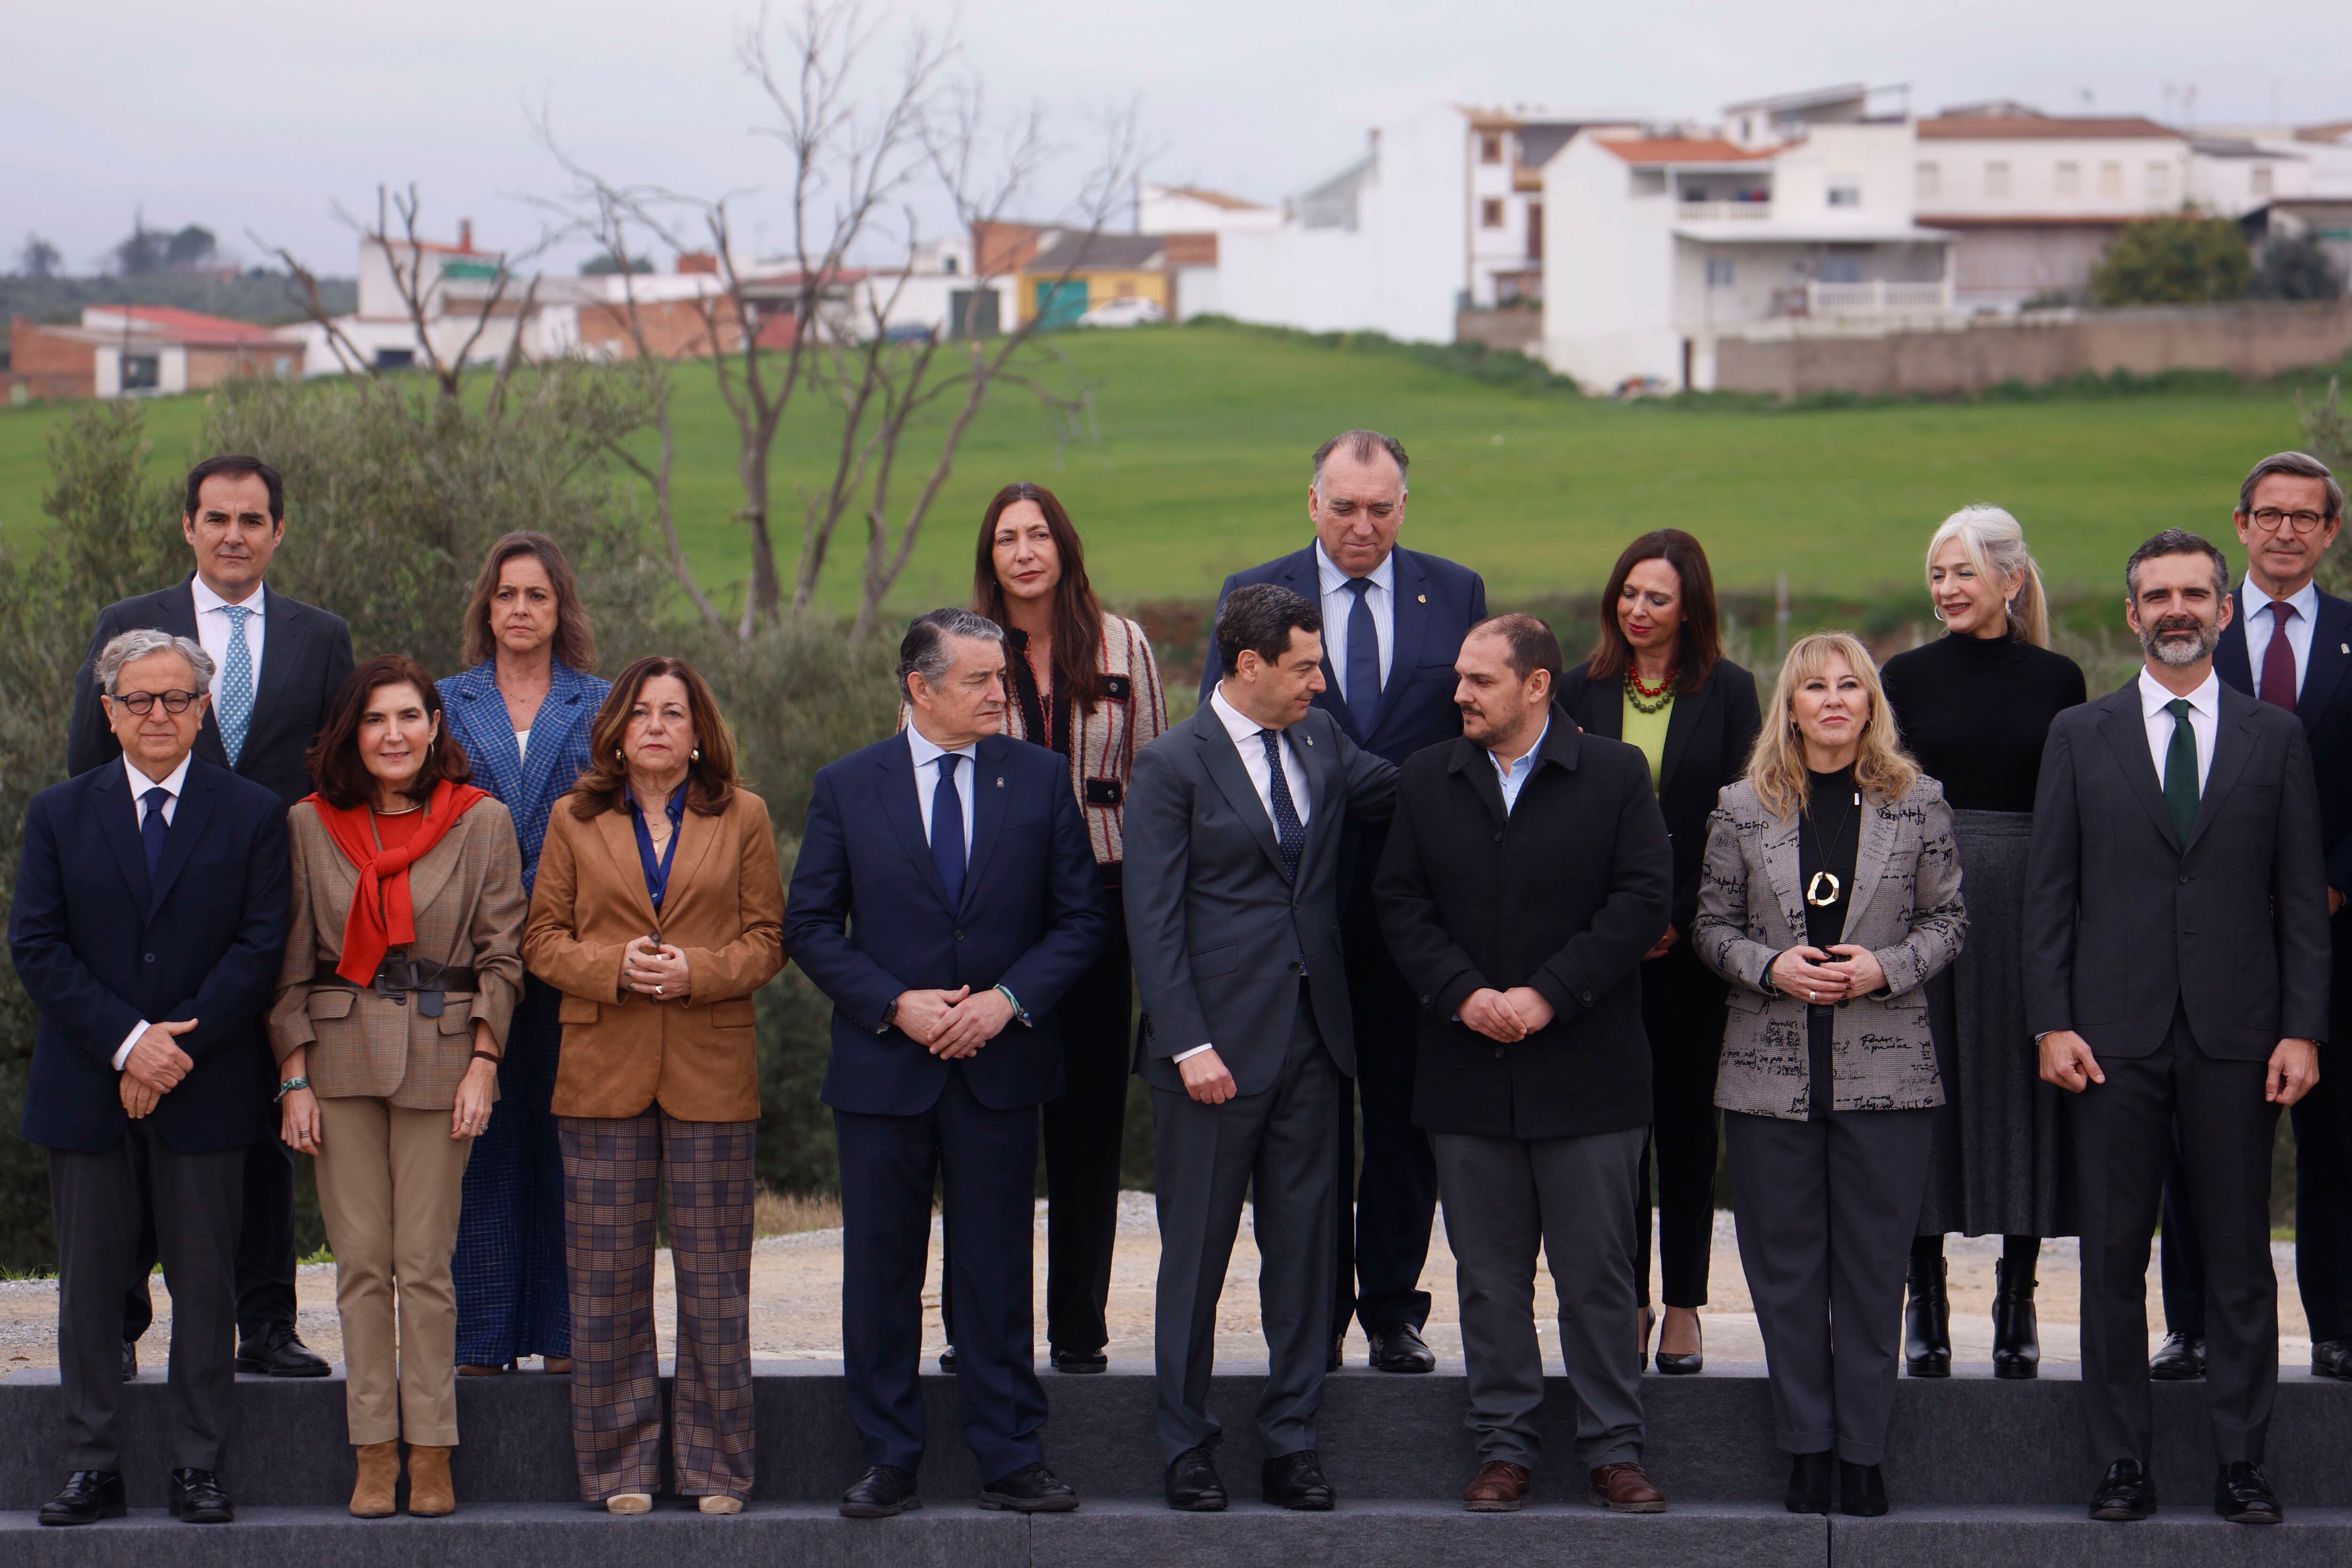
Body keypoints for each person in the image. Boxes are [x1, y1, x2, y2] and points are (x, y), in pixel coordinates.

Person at [2025, 530, 2327, 1527]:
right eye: (2158, 595)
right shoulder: (2080, 734)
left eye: (2195, 593)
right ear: (2132, 615)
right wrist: (2050, 1020)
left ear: (2225, 609)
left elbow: (2300, 899)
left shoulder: (2275, 737)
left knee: (2239, 1258)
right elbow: (2048, 894)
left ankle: (2242, 1462)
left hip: (2240, 1036)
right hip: (2109, 1038)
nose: (2177, 610)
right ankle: (2122, 1463)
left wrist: (2302, 1028)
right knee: (2113, 1259)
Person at [785, 609, 1106, 1519]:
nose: (1002, 693)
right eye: (980, 680)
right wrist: (896, 1003)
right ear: (920, 688)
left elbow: (1082, 919)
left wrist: (1007, 1001)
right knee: (881, 1272)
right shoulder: (848, 785)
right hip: (884, 1068)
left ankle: (1011, 1456)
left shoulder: (1040, 779)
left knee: (997, 1270)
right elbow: (809, 926)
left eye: (1002, 677)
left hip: (1001, 1067)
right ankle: (888, 1457)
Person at [1201, 429, 1486, 1375]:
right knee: (1308, 1122)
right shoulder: (1253, 591)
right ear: (1312, 501)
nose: (1362, 525)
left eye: (1380, 508)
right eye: (1344, 506)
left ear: (1405, 506)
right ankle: (1313, 1312)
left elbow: (1476, 731)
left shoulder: (1456, 592)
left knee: (1405, 1113)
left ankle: (1393, 1309)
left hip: (1417, 904)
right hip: (1296, 905)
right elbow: (1220, 742)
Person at [1376, 614, 1674, 1514]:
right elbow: (1400, 902)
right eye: (1460, 677)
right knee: (1488, 1279)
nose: (1459, 693)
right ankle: (1503, 1447)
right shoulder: (1428, 776)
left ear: (1537, 685)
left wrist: (1549, 993)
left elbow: (1642, 899)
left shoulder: (1616, 774)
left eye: (1480, 680)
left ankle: (1613, 1449)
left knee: (1599, 1276)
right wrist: (1464, 994)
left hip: (1589, 1072)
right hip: (1466, 1070)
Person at [66, 455, 352, 1383]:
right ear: (188, 525)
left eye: (253, 519)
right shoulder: (127, 624)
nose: (235, 534)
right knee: (126, 1116)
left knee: (259, 1118)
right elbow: (85, 769)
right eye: (217, 517)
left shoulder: (321, 638)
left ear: (279, 531)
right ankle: (119, 1319)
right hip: (140, 908)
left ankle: (266, 1320)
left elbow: (341, 776)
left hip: (264, 917)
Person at [1129, 583, 1399, 1512]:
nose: (1321, 683)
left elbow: (1407, 790)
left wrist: (1513, 747)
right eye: (1305, 666)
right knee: (1194, 1260)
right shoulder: (1171, 764)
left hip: (1314, 1043)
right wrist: (1186, 1042)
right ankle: (1185, 1446)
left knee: (1305, 1255)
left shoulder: (1322, 740)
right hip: (1210, 1056)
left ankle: (1292, 1441)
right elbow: (1152, 920)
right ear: (1249, 665)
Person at [15, 629, 292, 1527]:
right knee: (91, 1291)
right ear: (110, 711)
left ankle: (198, 1465)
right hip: (87, 1088)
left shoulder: (254, 813)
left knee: (205, 1290)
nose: (159, 714)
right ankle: (91, 1466)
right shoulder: (58, 813)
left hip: (207, 1087)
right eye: (139, 699)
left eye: (177, 698)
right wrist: (130, 1043)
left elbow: (260, 948)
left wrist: (175, 1051)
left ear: (204, 708)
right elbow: (37, 946)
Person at [1692, 632, 1967, 1520]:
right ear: (1792, 705)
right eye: (1817, 687)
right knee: (1785, 1273)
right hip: (1768, 1073)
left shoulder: (1918, 802)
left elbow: (1950, 921)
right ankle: (1808, 1448)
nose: (1836, 699)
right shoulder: (1741, 807)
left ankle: (1863, 1453)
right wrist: (1771, 967)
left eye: (1852, 685)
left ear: (1871, 703)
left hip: (1888, 1072)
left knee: (1873, 1271)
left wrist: (1885, 966)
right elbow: (1710, 927)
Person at [524, 657, 786, 1515]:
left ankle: (717, 1468)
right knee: (605, 1284)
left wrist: (696, 972)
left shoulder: (744, 815)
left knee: (715, 1283)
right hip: (602, 1069)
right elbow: (541, 940)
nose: (657, 727)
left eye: (674, 713)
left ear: (699, 730)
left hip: (711, 1070)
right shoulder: (573, 818)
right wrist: (615, 967)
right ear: (615, 730)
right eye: (641, 713)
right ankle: (619, 1468)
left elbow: (768, 939)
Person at [269, 657, 526, 1518]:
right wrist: (293, 1078)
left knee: (423, 1264)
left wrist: (485, 1062)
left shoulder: (481, 821)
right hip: (337, 1060)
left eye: (409, 716)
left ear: (434, 726)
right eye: (375, 719)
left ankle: (433, 1449)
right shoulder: (310, 824)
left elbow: (503, 958)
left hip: (442, 1060)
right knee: (359, 1265)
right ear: (352, 733)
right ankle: (374, 1449)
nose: (393, 735)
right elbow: (288, 969)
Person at [959, 483, 1168, 1375]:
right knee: (990, 1127)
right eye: (1007, 537)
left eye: (1039, 533)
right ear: (991, 556)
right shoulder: (958, 647)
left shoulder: (1124, 644)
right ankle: (980, 1327)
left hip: (1104, 904)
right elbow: (923, 772)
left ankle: (1079, 1325)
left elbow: (1156, 779)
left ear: (1064, 545)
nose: (1024, 551)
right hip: (994, 907)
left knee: (1088, 1122)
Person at [2158, 453, 2352, 1386]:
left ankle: (2339, 1324)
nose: (2285, 531)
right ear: (2239, 525)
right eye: (2268, 514)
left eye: (2304, 516)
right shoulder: (2196, 631)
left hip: (2336, 930)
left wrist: (2332, 883)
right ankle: (2191, 1325)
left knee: (2337, 1137)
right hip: (2214, 934)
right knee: (2199, 1136)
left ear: (2330, 532)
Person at [1880, 507, 2086, 1379]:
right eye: (1938, 573)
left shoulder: (2059, 678)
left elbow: (2069, 800)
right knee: (1920, 1083)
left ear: (2010, 578)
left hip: (2028, 897)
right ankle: (1923, 1296)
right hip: (1921, 893)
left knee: (2020, 1086)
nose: (1947, 588)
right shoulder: (1904, 675)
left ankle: (2017, 1296)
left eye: (1963, 571)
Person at [1555, 530, 1760, 1375]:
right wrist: (1620, 921)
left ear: (1690, 608)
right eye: (1629, 593)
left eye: (1658, 598)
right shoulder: (1579, 688)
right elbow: (1564, 816)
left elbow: (1742, 817)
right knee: (1614, 1139)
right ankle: (1627, 1301)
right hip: (1604, 947)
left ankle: (1682, 1305)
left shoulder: (1731, 691)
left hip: (1691, 943)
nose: (1637, 610)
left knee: (1685, 1129)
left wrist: (1676, 914)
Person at [439, 532, 612, 1379]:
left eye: (536, 595)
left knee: (569, 1148)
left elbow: (616, 822)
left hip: (574, 954)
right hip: (470, 957)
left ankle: (568, 1334)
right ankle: (481, 1340)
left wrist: (540, 905)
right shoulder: (444, 703)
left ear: (560, 607)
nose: (520, 609)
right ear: (487, 605)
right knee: (483, 1149)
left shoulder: (603, 703)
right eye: (506, 594)